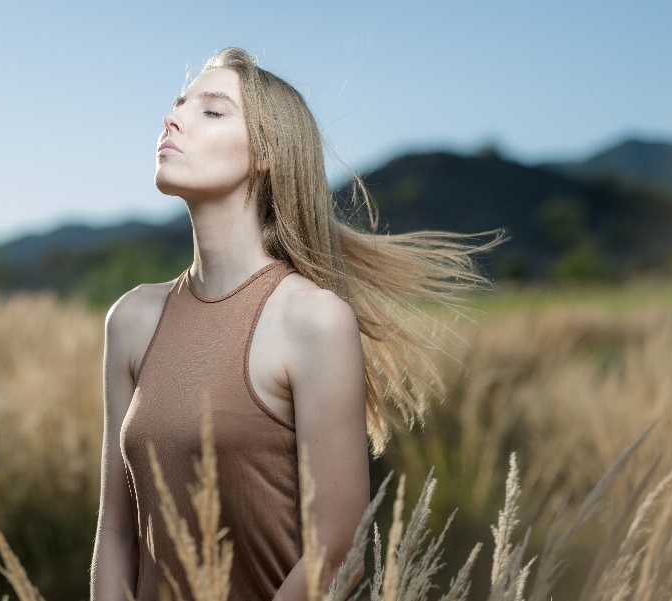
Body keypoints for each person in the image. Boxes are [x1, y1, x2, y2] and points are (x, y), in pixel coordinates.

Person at [90, 47, 495, 601]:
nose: (172, 117)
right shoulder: (132, 319)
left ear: (267, 154)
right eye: (177, 104)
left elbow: (338, 553)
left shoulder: (313, 320)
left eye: (211, 111)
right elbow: (116, 530)